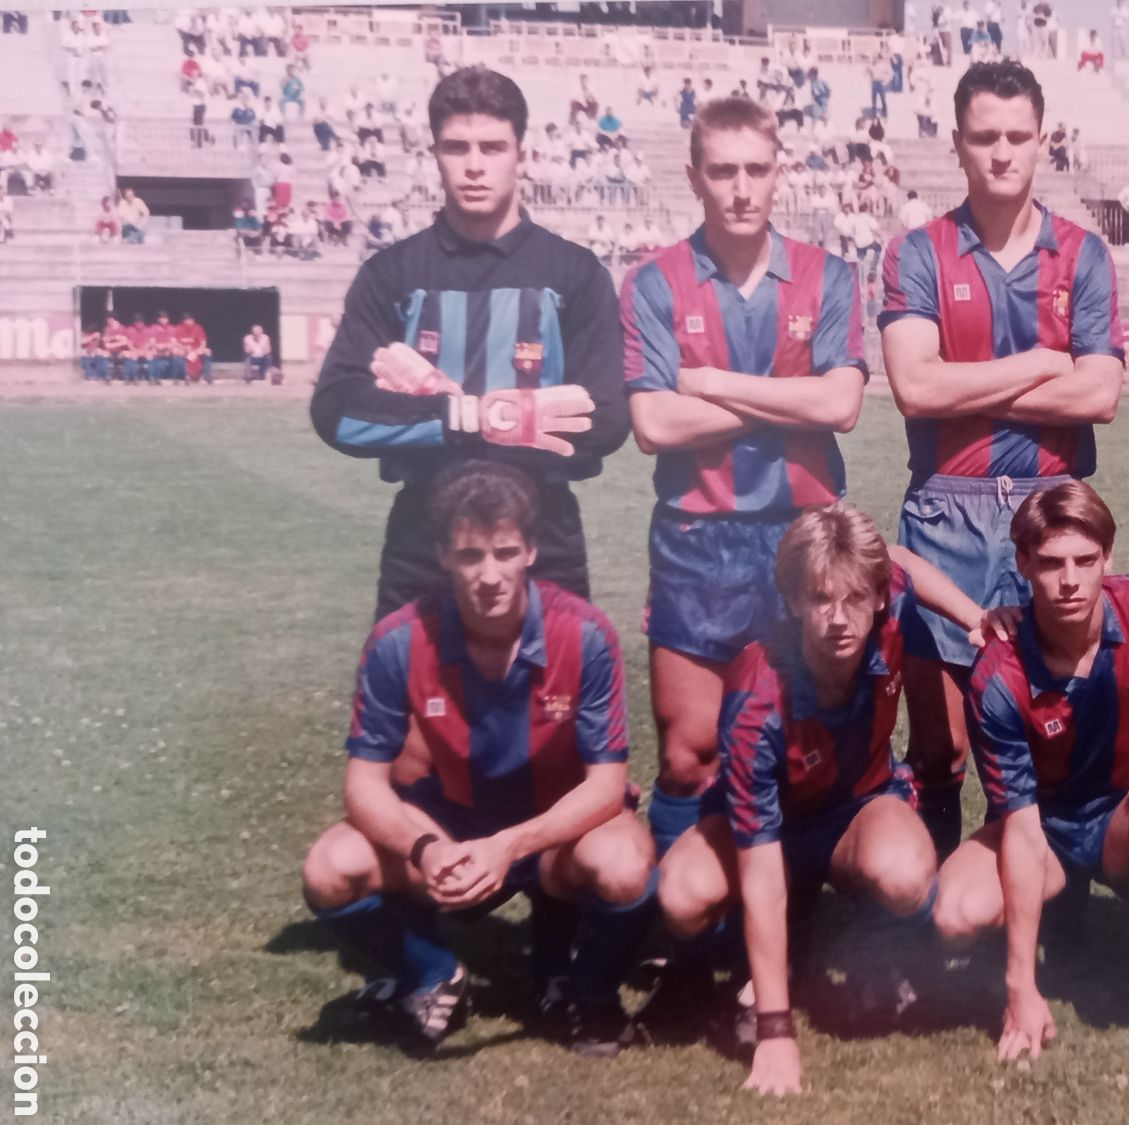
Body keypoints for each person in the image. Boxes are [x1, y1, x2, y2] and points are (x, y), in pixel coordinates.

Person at [299, 461, 657, 1057]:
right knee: (329, 868)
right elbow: (363, 787)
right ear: (442, 555)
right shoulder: (398, 639)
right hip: (450, 823)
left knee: (625, 864)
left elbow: (606, 785)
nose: (489, 575)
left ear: (532, 551)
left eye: (505, 552)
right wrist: (429, 849)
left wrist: (509, 847)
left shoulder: (587, 634)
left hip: (550, 829)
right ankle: (433, 973)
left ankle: (583, 989)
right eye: (470, 556)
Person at [619, 96, 868, 880]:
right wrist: (780, 400)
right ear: (695, 176)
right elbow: (654, 424)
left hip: (804, 534)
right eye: (722, 170)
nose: (740, 188)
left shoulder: (829, 277)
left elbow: (841, 406)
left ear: (780, 174)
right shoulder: (654, 282)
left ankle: (796, 913)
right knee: (691, 753)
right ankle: (683, 934)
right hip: (699, 537)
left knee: (807, 740)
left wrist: (715, 385)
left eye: (756, 169)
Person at [879, 61, 1123, 859]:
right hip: (948, 504)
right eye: (985, 136)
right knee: (941, 751)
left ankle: (1055, 914)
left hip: (1050, 505)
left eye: (1019, 135)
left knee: (1049, 736)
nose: (1002, 152)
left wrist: (967, 387)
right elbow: (915, 388)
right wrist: (1044, 365)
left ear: (1042, 141)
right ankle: (935, 925)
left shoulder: (1082, 254)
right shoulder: (919, 252)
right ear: (957, 143)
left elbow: (1100, 397)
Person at [656, 507, 987, 1094]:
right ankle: (739, 964)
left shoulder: (890, 608)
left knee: (907, 873)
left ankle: (877, 951)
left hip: (854, 809)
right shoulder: (757, 696)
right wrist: (776, 1032)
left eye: (856, 598)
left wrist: (975, 617)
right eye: (820, 599)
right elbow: (759, 865)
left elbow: (902, 561)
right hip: (766, 833)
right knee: (681, 894)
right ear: (792, 602)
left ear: (880, 597)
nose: (839, 619)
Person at [309, 66, 627, 621]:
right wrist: (471, 416)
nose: (475, 165)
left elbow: (603, 420)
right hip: (424, 534)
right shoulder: (393, 274)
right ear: (434, 153)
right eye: (457, 147)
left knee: (553, 704)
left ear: (520, 153)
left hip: (543, 534)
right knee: (411, 704)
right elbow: (337, 411)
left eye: (492, 146)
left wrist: (434, 416)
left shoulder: (575, 273)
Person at [936, 482, 1129, 1056]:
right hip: (1043, 828)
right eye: (1049, 563)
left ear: (1108, 558)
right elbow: (1021, 828)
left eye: (1084, 560)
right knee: (954, 914)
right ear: (1022, 563)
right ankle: (1060, 910)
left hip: (1124, 813)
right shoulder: (997, 675)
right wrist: (1020, 988)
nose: (1069, 580)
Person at [175, 313, 210, 384]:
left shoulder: (198, 328)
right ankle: (185, 376)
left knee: (208, 352)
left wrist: (197, 351)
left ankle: (206, 376)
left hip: (196, 350)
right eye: (187, 320)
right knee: (177, 353)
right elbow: (176, 343)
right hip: (184, 349)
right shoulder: (179, 328)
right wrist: (185, 349)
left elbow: (203, 342)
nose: (189, 322)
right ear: (183, 321)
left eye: (191, 320)